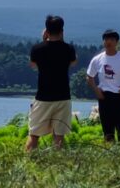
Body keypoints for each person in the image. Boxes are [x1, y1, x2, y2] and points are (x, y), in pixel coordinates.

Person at [27, 15, 77, 150]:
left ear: (46, 31)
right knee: (59, 136)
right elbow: (73, 63)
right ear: (62, 31)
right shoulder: (69, 49)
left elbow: (32, 64)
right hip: (63, 96)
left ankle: (27, 162)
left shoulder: (37, 49)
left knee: (34, 134)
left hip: (43, 96)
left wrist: (44, 40)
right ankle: (56, 164)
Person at [86, 29, 120, 145]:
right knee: (107, 130)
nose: (108, 42)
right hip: (104, 97)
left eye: (111, 39)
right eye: (106, 39)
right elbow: (89, 76)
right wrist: (96, 90)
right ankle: (110, 155)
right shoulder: (98, 59)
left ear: (116, 42)